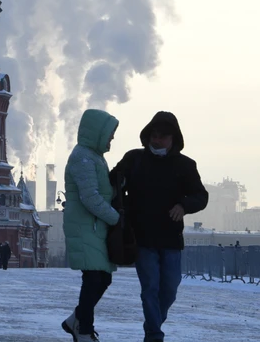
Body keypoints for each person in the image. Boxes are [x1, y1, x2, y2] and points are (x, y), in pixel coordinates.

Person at [113, 111, 208, 342]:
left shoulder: (185, 165)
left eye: (162, 137)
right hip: (141, 238)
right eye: (154, 136)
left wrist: (183, 206)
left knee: (170, 289)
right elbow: (113, 180)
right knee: (150, 289)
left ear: (173, 138)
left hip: (171, 240)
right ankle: (154, 335)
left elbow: (200, 196)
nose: (157, 141)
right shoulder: (134, 159)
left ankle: (152, 325)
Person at [60, 109, 121, 342]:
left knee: (102, 278)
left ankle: (76, 320)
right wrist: (117, 218)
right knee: (94, 278)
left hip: (94, 227)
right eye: (110, 134)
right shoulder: (82, 157)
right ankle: (83, 330)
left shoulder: (94, 157)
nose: (112, 139)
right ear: (97, 132)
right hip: (85, 227)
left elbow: (102, 193)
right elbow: (91, 198)